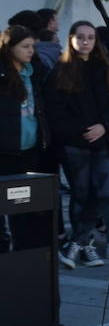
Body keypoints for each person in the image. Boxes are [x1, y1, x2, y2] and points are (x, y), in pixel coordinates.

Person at [46, 21, 109, 267]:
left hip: (103, 140)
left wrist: (105, 126)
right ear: (71, 39)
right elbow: (55, 112)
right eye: (81, 37)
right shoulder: (61, 70)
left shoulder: (107, 67)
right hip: (74, 143)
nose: (86, 41)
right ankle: (85, 244)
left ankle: (75, 242)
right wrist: (81, 132)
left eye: (90, 37)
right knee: (81, 194)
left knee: (107, 191)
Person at [0, 25, 50, 252]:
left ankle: (24, 252)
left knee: (25, 205)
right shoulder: (3, 75)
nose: (31, 51)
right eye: (25, 46)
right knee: (4, 205)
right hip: (6, 151)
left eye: (33, 46)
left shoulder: (35, 71)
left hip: (30, 150)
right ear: (10, 48)